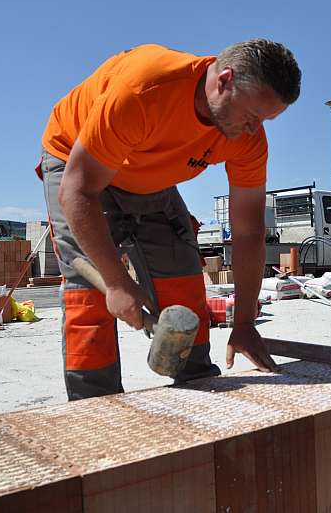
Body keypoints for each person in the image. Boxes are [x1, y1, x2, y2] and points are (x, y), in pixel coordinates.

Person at [37, 40, 301, 400]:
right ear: (224, 80)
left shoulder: (247, 138)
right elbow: (77, 191)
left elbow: (249, 231)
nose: (255, 130)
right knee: (92, 297)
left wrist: (244, 324)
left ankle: (197, 383)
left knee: (182, 282)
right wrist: (115, 282)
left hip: (147, 174)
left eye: (266, 121)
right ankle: (95, 406)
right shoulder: (145, 90)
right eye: (252, 116)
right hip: (76, 163)